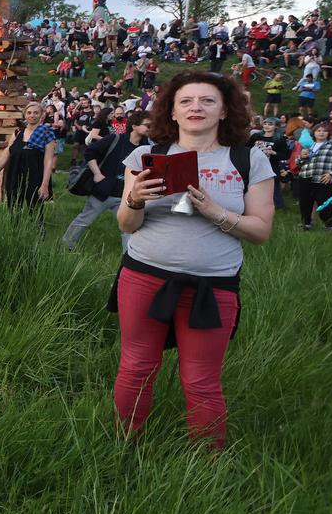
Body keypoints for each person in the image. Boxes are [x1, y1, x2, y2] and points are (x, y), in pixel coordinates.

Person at [111, 71, 273, 448]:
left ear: (223, 111)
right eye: (185, 101)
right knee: (136, 366)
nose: (195, 107)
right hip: (144, 277)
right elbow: (127, 224)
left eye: (207, 101)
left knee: (201, 378)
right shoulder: (146, 156)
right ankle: (121, 446)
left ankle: (206, 465)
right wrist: (135, 198)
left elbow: (261, 231)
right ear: (172, 111)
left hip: (211, 286)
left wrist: (216, 212)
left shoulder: (248, 160)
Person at [64, 110, 149, 250]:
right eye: (147, 125)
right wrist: (97, 174)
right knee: (84, 220)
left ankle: (128, 257)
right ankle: (66, 246)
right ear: (134, 126)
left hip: (125, 197)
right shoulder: (115, 139)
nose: (150, 128)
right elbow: (90, 152)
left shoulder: (146, 147)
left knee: (127, 229)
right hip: (103, 191)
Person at [293, 121, 332, 231]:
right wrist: (302, 157)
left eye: (325, 131)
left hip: (324, 178)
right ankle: (306, 223)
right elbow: (298, 163)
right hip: (305, 176)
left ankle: (329, 225)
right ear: (314, 133)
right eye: (319, 131)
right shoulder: (309, 145)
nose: (321, 133)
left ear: (328, 133)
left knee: (324, 203)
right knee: (305, 202)